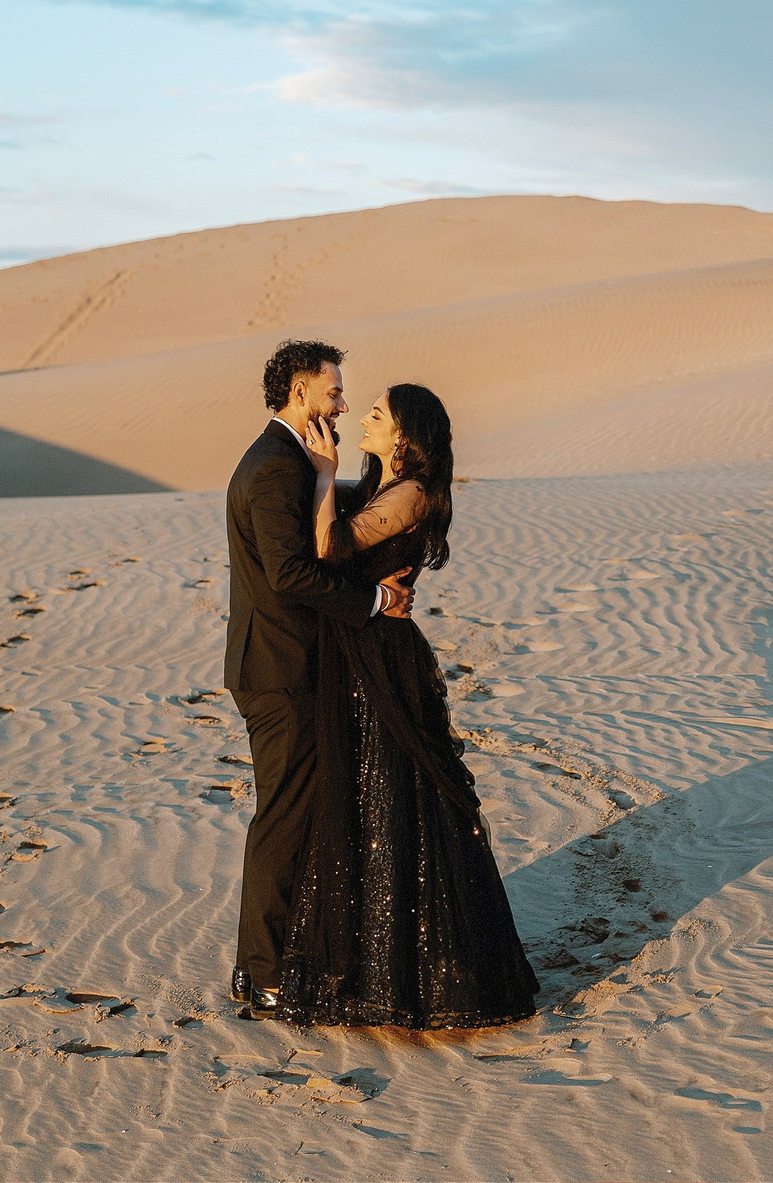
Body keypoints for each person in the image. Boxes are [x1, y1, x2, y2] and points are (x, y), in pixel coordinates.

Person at [274, 382, 540, 1029]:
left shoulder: (411, 493)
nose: (361, 417)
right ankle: (374, 959)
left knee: (393, 794)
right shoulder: (382, 488)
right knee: (365, 794)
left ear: (404, 434)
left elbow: (329, 549)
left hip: (382, 662)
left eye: (376, 413)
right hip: (360, 649)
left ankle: (409, 972)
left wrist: (324, 473)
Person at [222, 339, 409, 1018]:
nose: (343, 401)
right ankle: (265, 975)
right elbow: (291, 573)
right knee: (283, 821)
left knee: (286, 816)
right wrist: (375, 602)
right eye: (333, 392)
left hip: (279, 665)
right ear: (299, 393)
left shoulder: (292, 460)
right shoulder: (275, 468)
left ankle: (256, 970)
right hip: (278, 670)